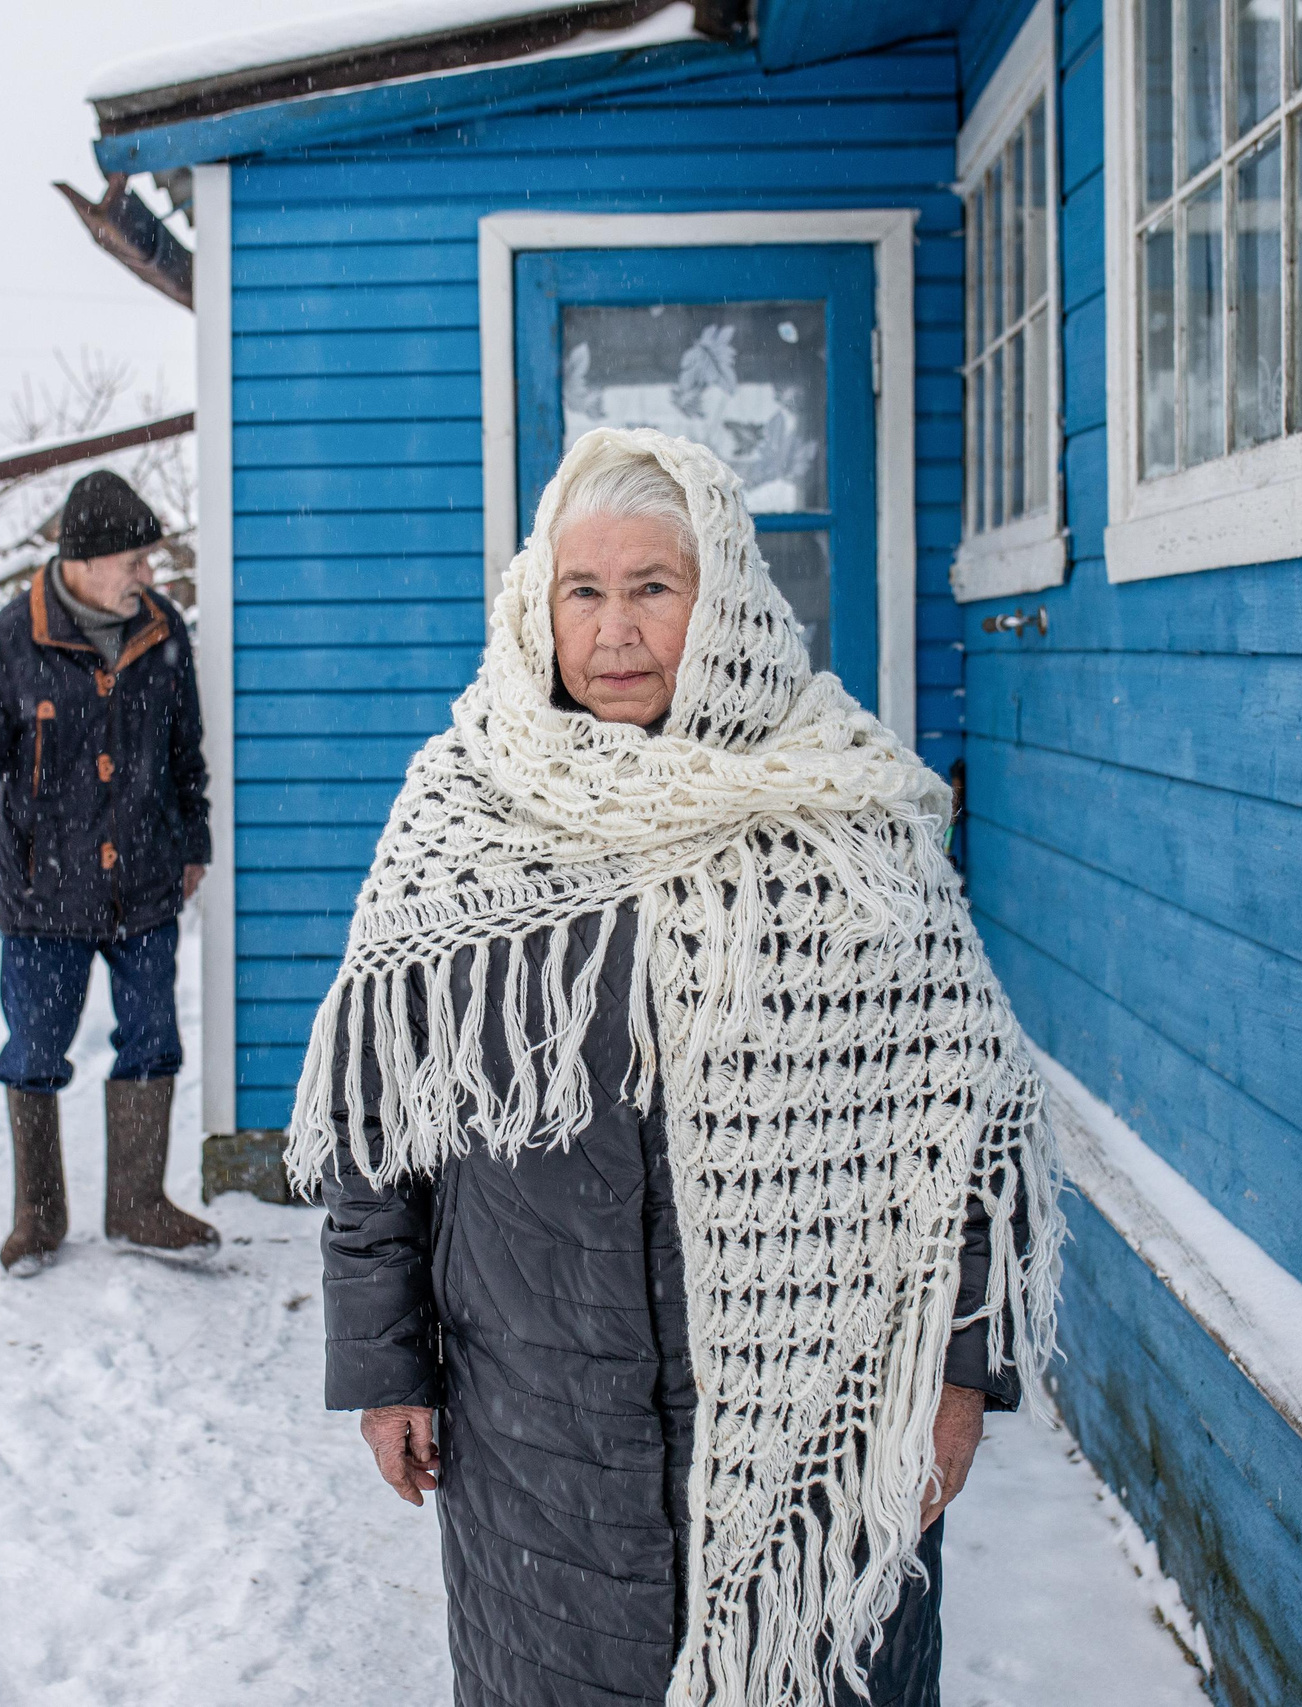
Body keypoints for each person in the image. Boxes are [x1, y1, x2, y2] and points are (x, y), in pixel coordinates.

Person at [285, 429, 1061, 1707]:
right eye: (582, 592)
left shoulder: (846, 812)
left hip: (827, 1425)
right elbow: (379, 1129)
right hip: (535, 1440)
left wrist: (958, 1381)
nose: (615, 629)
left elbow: (965, 1128)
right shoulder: (458, 816)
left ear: (729, 601)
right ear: (541, 609)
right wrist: (384, 1371)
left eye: (654, 586)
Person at [0, 470, 216, 1270]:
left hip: (146, 890)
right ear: (82, 560)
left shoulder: (163, 632)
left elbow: (185, 753)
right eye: (134, 561)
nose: (147, 577)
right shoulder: (7, 648)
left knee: (153, 1041)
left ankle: (140, 1205)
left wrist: (193, 844)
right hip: (45, 898)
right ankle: (39, 1215)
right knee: (36, 1048)